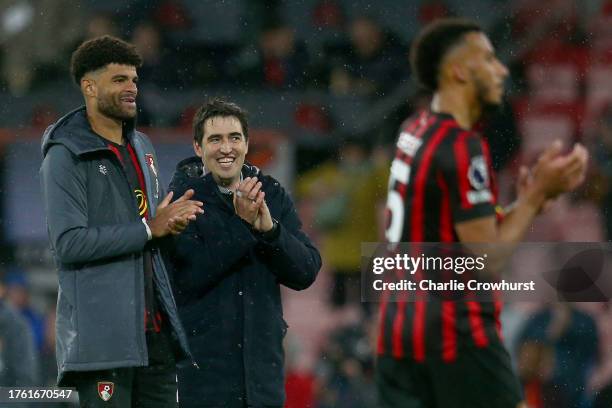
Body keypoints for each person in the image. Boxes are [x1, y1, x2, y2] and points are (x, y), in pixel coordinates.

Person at [376, 18, 588, 408]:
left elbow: (455, 233)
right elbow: (487, 258)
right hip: (453, 326)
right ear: (459, 71)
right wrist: (536, 196)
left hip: (398, 323)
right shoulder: (461, 145)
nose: (501, 69)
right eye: (489, 59)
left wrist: (529, 203)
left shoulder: (414, 129)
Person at [40, 35, 203, 407]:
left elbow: (150, 235)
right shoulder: (65, 156)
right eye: (119, 80)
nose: (131, 88)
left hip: (155, 339)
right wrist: (149, 229)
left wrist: (170, 228)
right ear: (89, 86)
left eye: (134, 80)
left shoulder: (142, 146)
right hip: (103, 346)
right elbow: (68, 243)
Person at [168, 99, 321, 407]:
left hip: (263, 378)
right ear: (198, 148)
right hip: (202, 382)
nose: (227, 148)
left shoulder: (271, 193)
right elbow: (190, 276)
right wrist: (244, 225)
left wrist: (270, 231)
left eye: (234, 138)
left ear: (247, 144)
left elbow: (305, 271)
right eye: (216, 139)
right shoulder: (180, 200)